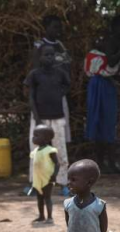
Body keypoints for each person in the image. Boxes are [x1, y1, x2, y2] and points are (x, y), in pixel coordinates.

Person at [85, 15, 120, 174]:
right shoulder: (112, 42)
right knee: (101, 122)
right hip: (101, 85)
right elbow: (111, 62)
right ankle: (104, 162)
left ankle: (106, 162)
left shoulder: (116, 42)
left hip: (107, 85)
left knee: (107, 123)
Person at [26, 44, 70, 192]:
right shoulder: (34, 75)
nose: (50, 58)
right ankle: (35, 183)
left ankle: (63, 183)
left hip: (57, 118)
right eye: (46, 55)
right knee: (36, 152)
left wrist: (59, 94)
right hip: (39, 119)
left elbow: (67, 85)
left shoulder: (60, 73)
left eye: (52, 55)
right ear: (40, 57)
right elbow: (31, 97)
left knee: (60, 151)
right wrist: (37, 119)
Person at [32, 14, 72, 145]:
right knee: (44, 127)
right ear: (46, 28)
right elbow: (35, 68)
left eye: (59, 27)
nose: (58, 30)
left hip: (59, 92)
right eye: (54, 27)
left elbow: (67, 67)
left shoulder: (61, 46)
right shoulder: (39, 45)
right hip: (43, 93)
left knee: (60, 128)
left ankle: (59, 157)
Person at [30, 125, 59, 224]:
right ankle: (41, 216)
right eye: (33, 135)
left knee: (47, 197)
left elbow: (57, 164)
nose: (33, 137)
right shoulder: (35, 151)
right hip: (38, 179)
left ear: (46, 139)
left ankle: (50, 217)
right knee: (39, 198)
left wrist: (54, 175)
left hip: (48, 178)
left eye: (36, 135)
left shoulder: (50, 150)